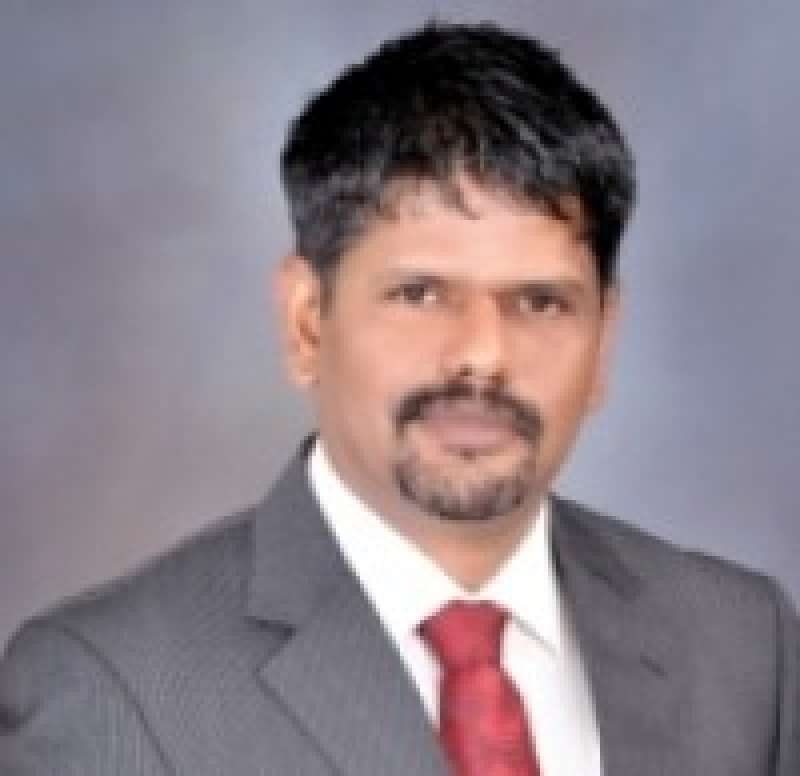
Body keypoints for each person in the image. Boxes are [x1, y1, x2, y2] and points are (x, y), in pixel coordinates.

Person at [1, 20, 797, 776]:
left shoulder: (741, 646)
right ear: (308, 322)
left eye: (540, 302)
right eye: (420, 294)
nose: (483, 356)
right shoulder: (113, 687)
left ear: (603, 342)